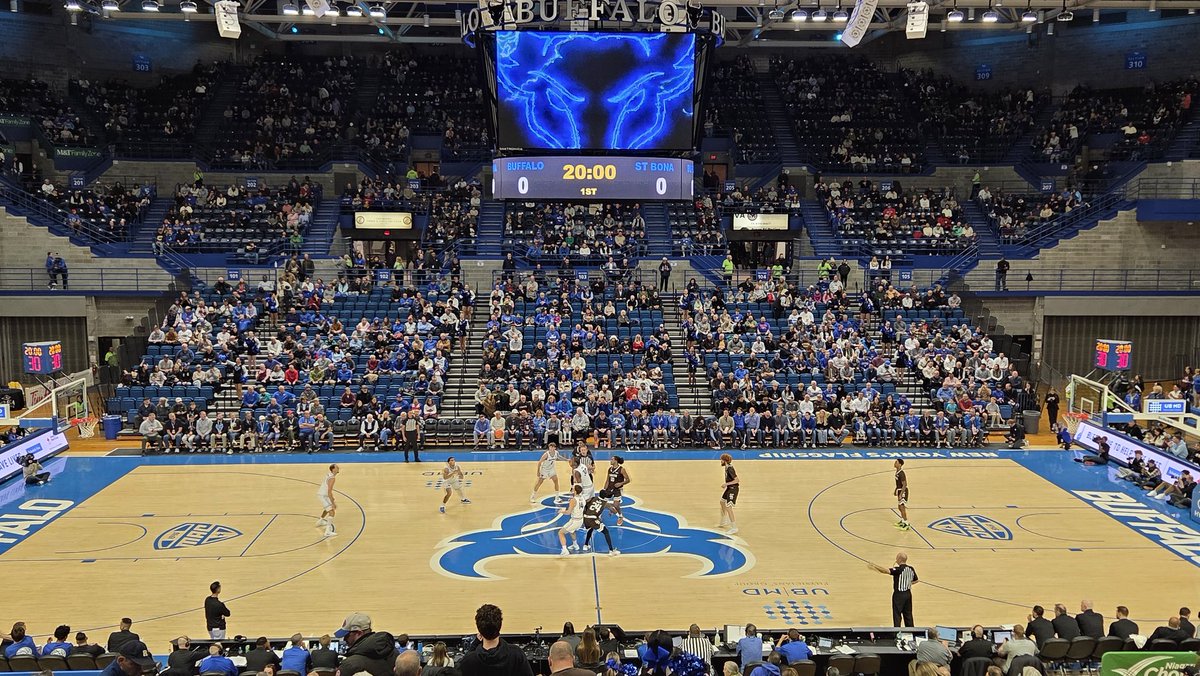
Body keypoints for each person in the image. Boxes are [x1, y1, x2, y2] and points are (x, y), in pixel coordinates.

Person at [459, 604, 534, 676]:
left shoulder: (469, 660)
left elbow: (462, 664)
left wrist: (474, 645)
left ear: (479, 630)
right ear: (500, 626)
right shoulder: (516, 654)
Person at [334, 612, 398, 676]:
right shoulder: (395, 654)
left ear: (359, 633)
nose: (344, 639)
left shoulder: (349, 665)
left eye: (347, 635)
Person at [868, 552, 917, 627]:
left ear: (899, 559)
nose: (896, 559)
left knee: (897, 614)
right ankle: (912, 632)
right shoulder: (911, 569)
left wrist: (875, 566)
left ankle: (897, 632)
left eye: (897, 557)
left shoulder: (899, 569)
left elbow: (886, 571)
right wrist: (907, 583)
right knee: (908, 614)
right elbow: (916, 580)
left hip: (899, 595)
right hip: (908, 594)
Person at [582, 489, 620, 556]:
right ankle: (611, 550)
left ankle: (585, 545)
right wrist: (619, 516)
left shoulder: (593, 498)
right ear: (605, 496)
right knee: (606, 532)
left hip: (585, 518)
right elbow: (612, 509)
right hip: (592, 519)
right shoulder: (605, 503)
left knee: (590, 529)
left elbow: (585, 503)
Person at [557, 485, 585, 556]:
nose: (572, 489)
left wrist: (562, 511)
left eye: (573, 489)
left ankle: (564, 550)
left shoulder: (573, 500)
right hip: (579, 519)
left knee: (561, 533)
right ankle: (575, 546)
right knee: (572, 531)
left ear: (575, 491)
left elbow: (568, 512)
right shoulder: (582, 498)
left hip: (575, 520)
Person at [604, 455, 631, 526]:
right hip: (609, 488)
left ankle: (620, 516)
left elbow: (628, 480)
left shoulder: (621, 469)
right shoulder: (609, 469)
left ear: (616, 461)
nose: (610, 460)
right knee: (603, 503)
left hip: (617, 490)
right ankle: (611, 510)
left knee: (616, 505)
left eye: (612, 459)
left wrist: (621, 483)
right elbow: (607, 480)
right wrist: (604, 489)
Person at [719, 453, 740, 535]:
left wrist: (726, 484)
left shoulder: (730, 469)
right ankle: (724, 520)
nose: (720, 461)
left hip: (733, 489)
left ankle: (734, 527)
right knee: (722, 502)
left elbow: (737, 480)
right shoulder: (727, 467)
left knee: (728, 507)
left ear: (724, 461)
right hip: (729, 488)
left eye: (721, 460)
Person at [317, 463, 339, 537]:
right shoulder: (332, 478)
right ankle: (327, 532)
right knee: (332, 512)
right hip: (323, 496)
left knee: (327, 509)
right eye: (337, 467)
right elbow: (329, 491)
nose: (338, 468)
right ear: (333, 469)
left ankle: (320, 521)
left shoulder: (329, 474)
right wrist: (333, 502)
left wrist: (331, 498)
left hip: (323, 494)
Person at [893, 458, 910, 530]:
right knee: (899, 507)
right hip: (900, 490)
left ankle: (906, 523)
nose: (894, 463)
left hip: (903, 491)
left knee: (902, 507)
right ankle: (902, 521)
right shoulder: (897, 472)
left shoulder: (901, 473)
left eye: (896, 462)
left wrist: (901, 494)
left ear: (899, 464)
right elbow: (898, 483)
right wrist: (895, 490)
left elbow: (904, 484)